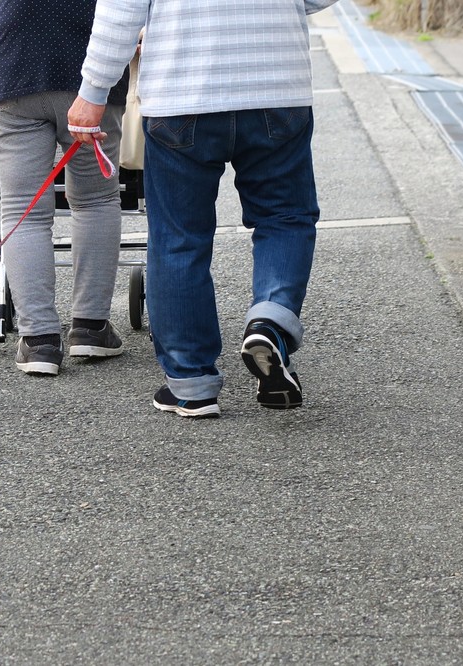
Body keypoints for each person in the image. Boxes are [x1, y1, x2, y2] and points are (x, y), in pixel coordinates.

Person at [68, 0, 338, 416]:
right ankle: (272, 323)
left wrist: (93, 93)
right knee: (284, 218)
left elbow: (121, 8)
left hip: (182, 92)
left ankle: (191, 383)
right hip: (277, 85)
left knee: (178, 239)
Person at [0, 0, 129, 376]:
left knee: (23, 209)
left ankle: (39, 341)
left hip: (14, 71)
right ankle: (91, 327)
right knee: (96, 201)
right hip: (92, 76)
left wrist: (8, 45)